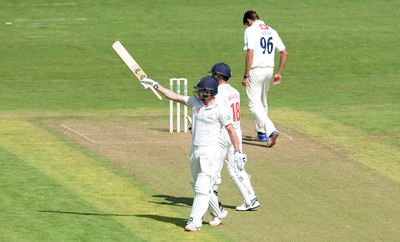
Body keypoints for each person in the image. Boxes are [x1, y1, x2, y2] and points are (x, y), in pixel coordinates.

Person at [140, 76, 247, 232]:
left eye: (201, 90)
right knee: (201, 186)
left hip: (211, 152)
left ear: (210, 93)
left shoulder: (221, 109)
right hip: (195, 150)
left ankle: (194, 222)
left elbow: (231, 130)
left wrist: (238, 152)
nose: (198, 93)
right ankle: (218, 214)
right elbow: (174, 96)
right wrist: (155, 85)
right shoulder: (195, 102)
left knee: (202, 188)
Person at [208, 63, 260, 212]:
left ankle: (211, 194)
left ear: (218, 76)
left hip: (225, 132)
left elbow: (215, 111)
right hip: (237, 131)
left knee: (217, 165)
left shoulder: (218, 92)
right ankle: (251, 198)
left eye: (213, 75)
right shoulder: (235, 91)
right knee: (237, 167)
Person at [242, 10, 288, 147]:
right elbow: (284, 53)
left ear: (249, 21)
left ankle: (271, 130)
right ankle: (261, 133)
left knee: (253, 104)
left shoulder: (250, 30)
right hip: (269, 69)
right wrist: (279, 73)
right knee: (262, 100)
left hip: (256, 70)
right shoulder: (272, 30)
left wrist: (246, 75)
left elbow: (250, 52)